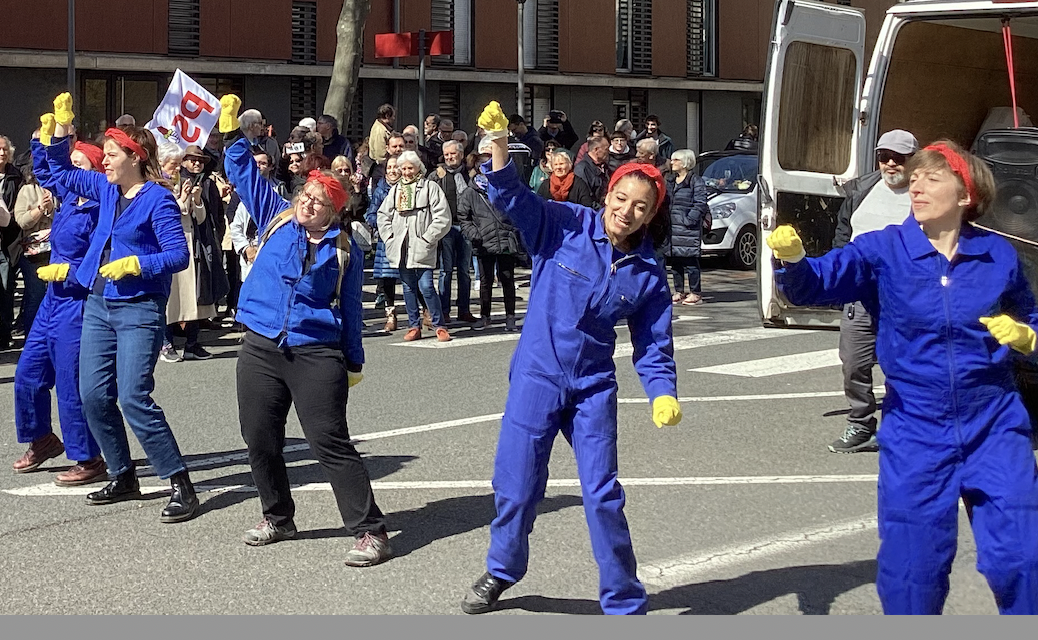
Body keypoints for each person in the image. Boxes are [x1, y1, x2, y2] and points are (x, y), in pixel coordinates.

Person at [767, 140, 1038, 615]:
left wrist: (1028, 338)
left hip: (995, 426)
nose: (916, 184)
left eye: (932, 178)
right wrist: (792, 262)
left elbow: (1032, 317)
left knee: (1023, 559)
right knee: (912, 574)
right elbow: (818, 281)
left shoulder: (998, 255)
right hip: (915, 430)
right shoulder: (883, 249)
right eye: (914, 178)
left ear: (965, 194)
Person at [461, 101, 682, 615]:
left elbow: (653, 341)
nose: (626, 211)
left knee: (603, 494)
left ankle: (623, 600)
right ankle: (501, 569)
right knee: (515, 485)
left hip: (592, 388)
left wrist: (662, 390)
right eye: (621, 198)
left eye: (640, 207)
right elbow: (513, 197)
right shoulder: (563, 224)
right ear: (608, 193)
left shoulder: (647, 273)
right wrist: (495, 144)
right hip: (537, 375)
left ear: (652, 214)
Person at [220, 95, 392, 566]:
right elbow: (241, 170)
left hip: (316, 351)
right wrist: (236, 133)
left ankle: (370, 530)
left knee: (328, 440)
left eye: (319, 201)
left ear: (334, 210)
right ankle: (277, 515)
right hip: (260, 344)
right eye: (306, 196)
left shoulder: (344, 249)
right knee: (259, 435)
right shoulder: (276, 216)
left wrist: (353, 360)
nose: (308, 204)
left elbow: (352, 308)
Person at [43, 93, 197, 523]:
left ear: (134, 156)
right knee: (92, 395)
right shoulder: (105, 189)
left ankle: (180, 481)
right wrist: (60, 131)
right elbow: (57, 172)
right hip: (97, 302)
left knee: (133, 396)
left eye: (111, 154)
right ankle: (123, 473)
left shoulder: (157, 199)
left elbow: (177, 256)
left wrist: (137, 264)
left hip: (138, 308)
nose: (104, 161)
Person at [12, 126, 105, 486]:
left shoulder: (100, 207)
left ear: (92, 173)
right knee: (27, 375)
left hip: (77, 300)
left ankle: (89, 456)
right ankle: (42, 439)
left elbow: (101, 256)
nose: (70, 170)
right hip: (53, 298)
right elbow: (50, 169)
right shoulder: (70, 196)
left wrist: (72, 272)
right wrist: (45, 137)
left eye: (78, 164)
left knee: (69, 382)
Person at [827, 129, 919, 454]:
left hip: (904, 297)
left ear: (913, 161)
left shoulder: (923, 194)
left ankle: (901, 426)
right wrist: (841, 274)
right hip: (861, 295)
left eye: (898, 158)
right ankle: (861, 424)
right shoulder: (863, 189)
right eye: (884, 156)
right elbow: (843, 231)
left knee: (903, 364)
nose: (890, 163)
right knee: (853, 362)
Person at [376, 150, 452, 342]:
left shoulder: (430, 187)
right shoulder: (396, 190)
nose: (407, 172)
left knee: (426, 286)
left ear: (419, 167)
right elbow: (382, 215)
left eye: (410, 168)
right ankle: (413, 326)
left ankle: (439, 325)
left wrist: (428, 237)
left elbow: (443, 217)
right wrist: (389, 237)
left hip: (422, 244)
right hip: (401, 246)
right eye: (403, 168)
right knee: (408, 287)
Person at [160, 144, 225, 363]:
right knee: (172, 298)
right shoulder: (157, 185)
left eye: (179, 164)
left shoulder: (190, 182)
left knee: (194, 296)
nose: (178, 169)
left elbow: (201, 217)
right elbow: (166, 213)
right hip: (169, 245)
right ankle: (166, 343)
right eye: (174, 164)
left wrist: (196, 200)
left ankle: (192, 344)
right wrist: (182, 199)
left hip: (193, 245)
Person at [459, 139, 521, 332]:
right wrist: (473, 234)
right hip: (483, 241)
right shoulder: (470, 192)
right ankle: (485, 316)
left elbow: (516, 209)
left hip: (504, 239)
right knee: (485, 281)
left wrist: (512, 229)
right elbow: (463, 217)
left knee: (507, 279)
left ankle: (510, 316)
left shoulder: (505, 187)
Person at [428, 140, 477, 324]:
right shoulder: (437, 176)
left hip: (466, 226)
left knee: (464, 271)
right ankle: (444, 310)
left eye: (453, 154)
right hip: (445, 228)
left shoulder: (470, 174)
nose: (449, 157)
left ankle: (464, 309)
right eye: (446, 154)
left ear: (461, 154)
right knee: (445, 271)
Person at [13, 159, 55, 333]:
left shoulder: (60, 190)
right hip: (34, 254)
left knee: (52, 296)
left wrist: (52, 209)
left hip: (55, 250)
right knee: (35, 296)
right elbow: (21, 221)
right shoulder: (27, 190)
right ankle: (31, 335)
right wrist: (39, 209)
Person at [664, 149, 709, 306]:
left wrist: (690, 219)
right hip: (672, 227)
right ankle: (679, 291)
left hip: (687, 228)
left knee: (690, 261)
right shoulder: (670, 181)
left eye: (675, 160)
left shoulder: (696, 181)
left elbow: (700, 203)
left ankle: (695, 293)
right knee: (676, 262)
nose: (672, 162)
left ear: (685, 163)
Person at [366, 156, 403, 332]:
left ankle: (423, 312)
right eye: (389, 167)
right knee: (387, 280)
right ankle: (390, 315)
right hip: (387, 239)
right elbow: (371, 214)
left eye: (396, 167)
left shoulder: (409, 188)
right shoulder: (380, 189)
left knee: (413, 277)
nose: (392, 170)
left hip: (407, 238)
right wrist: (383, 226)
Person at [0, 134, 24, 349]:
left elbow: (13, 213)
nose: (2, 153)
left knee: (6, 289)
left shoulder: (16, 176)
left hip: (9, 240)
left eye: (4, 149)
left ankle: (4, 333)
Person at [574, 136, 610, 208]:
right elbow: (585, 199)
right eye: (606, 149)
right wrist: (603, 211)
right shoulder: (582, 169)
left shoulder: (605, 167)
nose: (609, 152)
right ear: (596, 150)